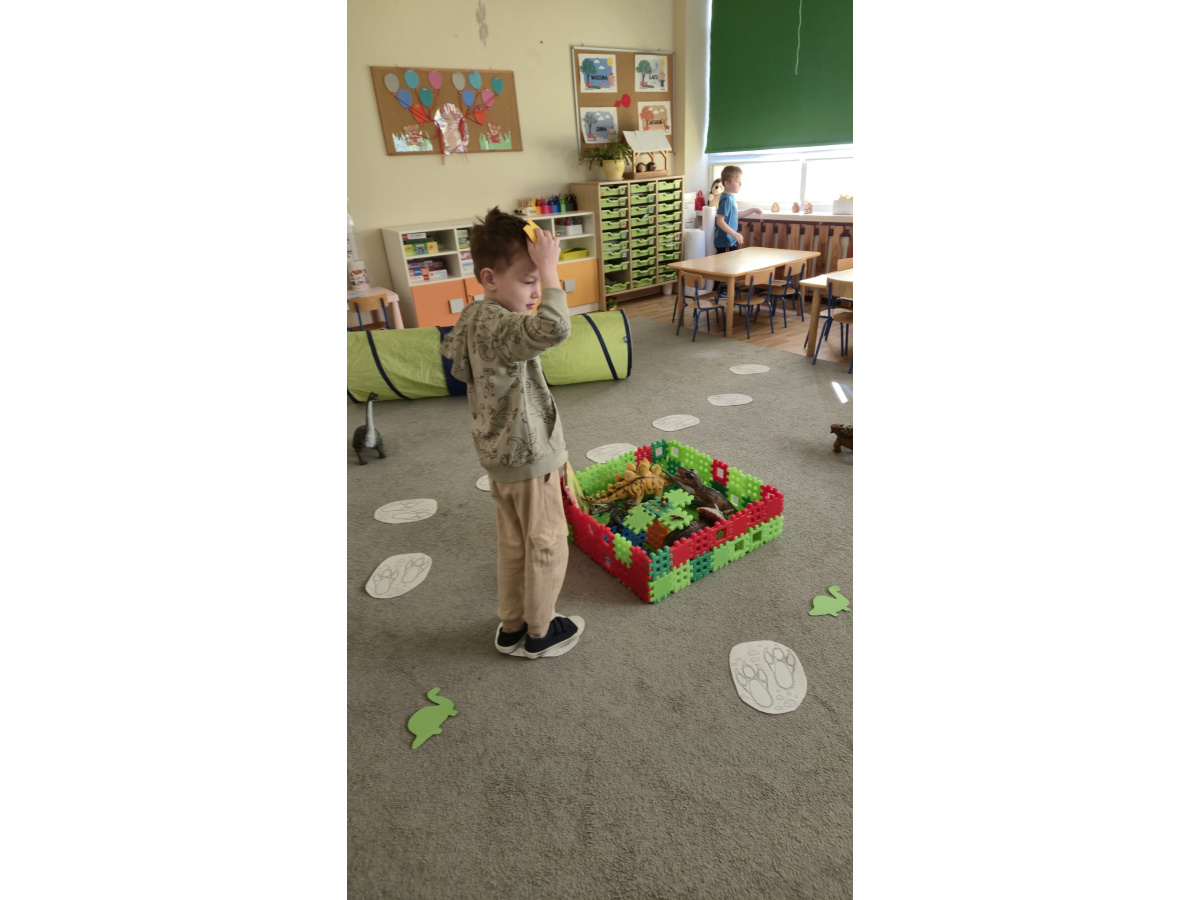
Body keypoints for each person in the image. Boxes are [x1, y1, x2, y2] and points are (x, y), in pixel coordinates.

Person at [439, 208, 585, 659]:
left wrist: (537, 271)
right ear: (489, 278)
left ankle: (511, 625)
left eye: (539, 280)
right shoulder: (503, 326)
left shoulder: (474, 315)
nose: (538, 290)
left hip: (498, 458)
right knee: (546, 543)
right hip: (529, 458)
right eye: (529, 280)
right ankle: (540, 632)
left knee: (514, 543)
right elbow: (555, 327)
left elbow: (455, 358)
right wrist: (551, 268)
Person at [712, 166, 763, 299]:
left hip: (730, 240)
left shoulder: (731, 198)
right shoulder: (726, 199)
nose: (740, 183)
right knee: (724, 268)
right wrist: (734, 234)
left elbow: (735, 215)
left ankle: (725, 290)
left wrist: (752, 210)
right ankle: (718, 291)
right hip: (725, 241)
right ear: (727, 183)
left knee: (730, 267)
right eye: (737, 181)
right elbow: (720, 221)